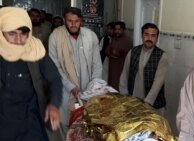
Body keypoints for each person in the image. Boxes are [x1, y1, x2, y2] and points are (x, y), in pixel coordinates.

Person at [0, 7, 62, 141]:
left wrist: (54, 104)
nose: (18, 39)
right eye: (12, 33)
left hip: (31, 121)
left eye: (23, 33)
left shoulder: (36, 49)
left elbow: (55, 79)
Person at [49, 7, 102, 139]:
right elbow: (54, 66)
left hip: (87, 92)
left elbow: (97, 64)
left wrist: (94, 85)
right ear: (64, 21)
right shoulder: (55, 37)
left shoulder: (91, 36)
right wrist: (70, 86)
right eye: (70, 21)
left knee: (86, 127)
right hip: (65, 91)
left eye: (77, 21)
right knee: (67, 125)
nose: (73, 24)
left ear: (81, 21)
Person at [119, 23, 168, 117]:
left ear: (157, 38)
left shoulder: (162, 56)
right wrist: (125, 98)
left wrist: (146, 105)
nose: (150, 38)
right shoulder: (133, 51)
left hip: (154, 107)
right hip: (133, 104)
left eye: (153, 35)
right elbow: (124, 76)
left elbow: (157, 85)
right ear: (142, 36)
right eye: (146, 34)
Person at [106, 21, 133, 90]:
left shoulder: (127, 41)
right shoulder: (114, 39)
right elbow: (107, 51)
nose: (117, 31)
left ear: (123, 30)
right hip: (112, 68)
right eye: (115, 29)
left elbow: (117, 52)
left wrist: (114, 52)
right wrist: (112, 53)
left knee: (120, 87)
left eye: (119, 29)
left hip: (121, 69)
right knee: (111, 87)